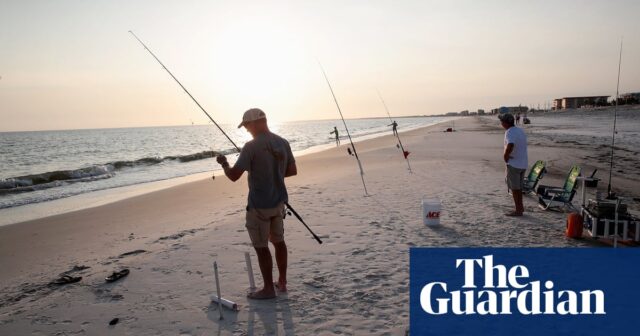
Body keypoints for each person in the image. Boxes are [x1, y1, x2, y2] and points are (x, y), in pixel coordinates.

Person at [216, 108, 297, 299]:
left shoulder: (250, 147)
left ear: (256, 123)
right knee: (279, 242)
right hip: (279, 203)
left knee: (261, 248)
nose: (246, 129)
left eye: (246, 125)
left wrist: (224, 164)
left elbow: (234, 176)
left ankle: (269, 289)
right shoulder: (282, 142)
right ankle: (282, 282)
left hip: (259, 206)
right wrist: (272, 174)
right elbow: (292, 170)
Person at [499, 113, 528, 216]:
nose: (501, 123)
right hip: (523, 163)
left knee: (515, 189)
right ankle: (520, 208)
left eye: (502, 121)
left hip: (514, 164)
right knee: (518, 188)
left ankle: (518, 210)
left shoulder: (509, 132)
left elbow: (511, 144)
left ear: (506, 123)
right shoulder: (519, 130)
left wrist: (506, 156)